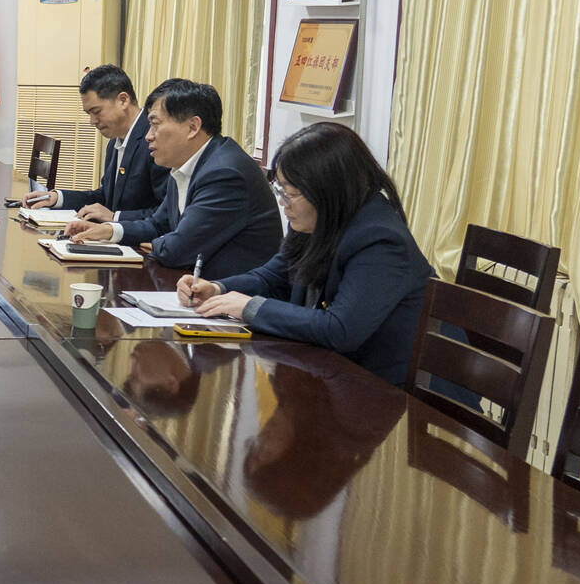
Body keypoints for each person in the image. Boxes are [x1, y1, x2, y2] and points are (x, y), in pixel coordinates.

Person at [179, 121, 433, 386]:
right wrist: (218, 289)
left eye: (289, 193)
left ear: (327, 191)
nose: (282, 203)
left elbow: (340, 329)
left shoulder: (380, 240)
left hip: (382, 391)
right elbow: (272, 277)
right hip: (327, 373)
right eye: (280, 190)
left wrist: (250, 307)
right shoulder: (318, 218)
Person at [63, 78, 282, 281]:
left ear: (193, 127)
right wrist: (111, 231)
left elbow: (177, 250)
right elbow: (158, 224)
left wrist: (156, 243)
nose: (148, 136)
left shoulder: (224, 173)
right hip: (193, 286)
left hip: (231, 297)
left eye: (155, 124)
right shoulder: (185, 163)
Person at [24, 65, 169, 217]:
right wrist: (57, 198)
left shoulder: (155, 141)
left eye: (97, 112)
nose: (92, 121)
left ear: (123, 100)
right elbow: (105, 197)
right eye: (89, 114)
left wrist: (115, 218)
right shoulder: (114, 142)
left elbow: (166, 215)